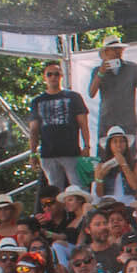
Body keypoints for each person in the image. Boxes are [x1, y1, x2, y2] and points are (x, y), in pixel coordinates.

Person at [85, 34, 137, 149]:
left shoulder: (133, 68)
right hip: (106, 122)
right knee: (105, 157)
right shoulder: (97, 71)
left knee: (129, 155)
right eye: (114, 49)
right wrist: (101, 73)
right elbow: (91, 93)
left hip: (127, 121)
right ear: (106, 52)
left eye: (120, 48)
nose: (118, 52)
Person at [27, 61, 90, 190]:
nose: (53, 77)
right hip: (48, 154)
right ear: (44, 77)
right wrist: (33, 153)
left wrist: (87, 146)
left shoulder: (74, 97)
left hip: (72, 152)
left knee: (79, 190)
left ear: (61, 76)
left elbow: (83, 124)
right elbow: (33, 130)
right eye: (49, 74)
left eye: (56, 74)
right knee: (55, 193)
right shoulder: (37, 101)